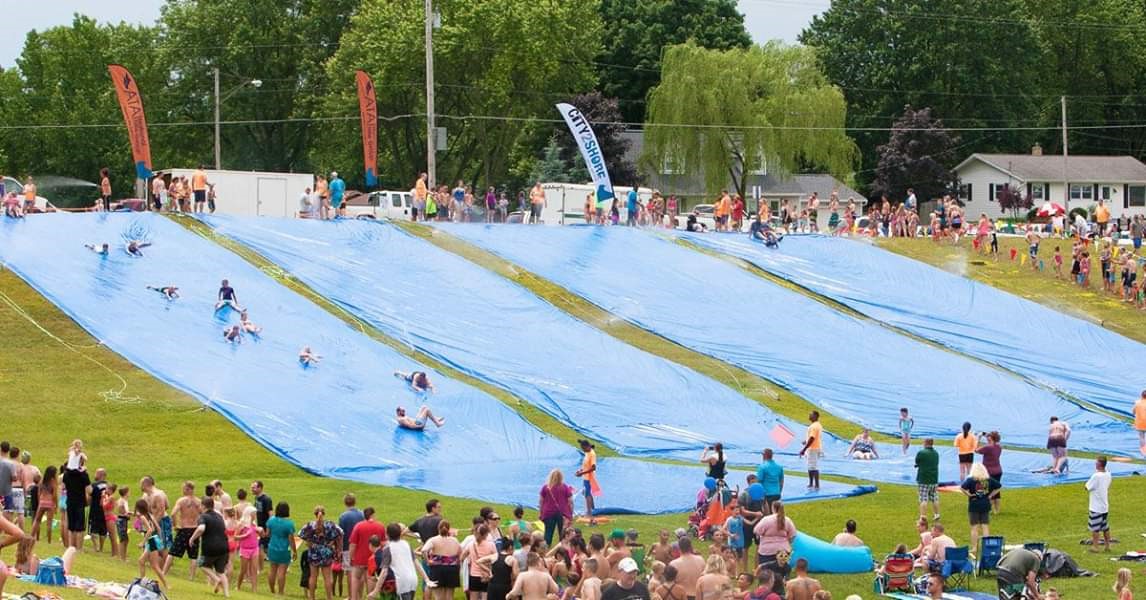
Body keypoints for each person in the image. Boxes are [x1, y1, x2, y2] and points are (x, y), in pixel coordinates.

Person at [188, 496, 230, 597]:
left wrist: (192, 538)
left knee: (202, 564)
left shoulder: (203, 516)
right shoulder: (219, 516)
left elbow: (201, 528)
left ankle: (216, 580)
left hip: (210, 547)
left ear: (203, 506)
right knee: (221, 571)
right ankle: (227, 595)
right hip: (224, 546)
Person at [300, 505, 344, 600]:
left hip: (313, 553)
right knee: (327, 578)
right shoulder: (330, 525)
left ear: (314, 514)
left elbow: (303, 536)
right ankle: (329, 598)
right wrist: (332, 543)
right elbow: (340, 533)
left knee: (313, 577)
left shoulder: (309, 525)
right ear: (324, 513)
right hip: (326, 552)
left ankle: (312, 598)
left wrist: (311, 544)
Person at [164, 480, 203, 580]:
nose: (182, 490)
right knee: (193, 555)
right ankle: (191, 577)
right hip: (194, 529)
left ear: (188, 489)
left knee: (172, 552)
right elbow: (202, 514)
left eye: (184, 488)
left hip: (184, 528)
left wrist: (175, 525)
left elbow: (173, 513)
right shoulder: (198, 501)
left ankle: (164, 572)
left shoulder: (181, 501)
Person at [753, 501, 795, 594]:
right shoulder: (787, 520)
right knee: (782, 572)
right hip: (783, 550)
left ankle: (763, 593)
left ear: (773, 508)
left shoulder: (766, 520)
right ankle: (780, 592)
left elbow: (756, 530)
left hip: (766, 550)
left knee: (766, 574)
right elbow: (792, 535)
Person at [960, 463, 1000, 553]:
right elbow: (999, 486)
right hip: (985, 504)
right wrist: (990, 495)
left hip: (974, 504)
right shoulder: (988, 480)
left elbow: (962, 488)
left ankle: (974, 547)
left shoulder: (971, 480)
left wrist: (969, 494)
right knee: (985, 526)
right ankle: (986, 547)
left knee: (974, 527)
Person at [420, 520, 462, 600]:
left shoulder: (433, 540)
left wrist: (428, 561)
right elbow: (460, 553)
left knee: (439, 597)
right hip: (452, 569)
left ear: (438, 529)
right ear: (449, 529)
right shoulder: (454, 540)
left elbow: (424, 550)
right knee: (449, 597)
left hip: (438, 569)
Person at [134, 498, 169, 590]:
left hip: (151, 541)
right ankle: (142, 581)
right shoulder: (149, 515)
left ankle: (166, 584)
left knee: (154, 565)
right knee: (141, 561)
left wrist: (143, 542)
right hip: (154, 539)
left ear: (138, 508)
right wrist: (159, 539)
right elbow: (158, 529)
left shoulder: (142, 517)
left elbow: (150, 530)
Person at [265, 501, 297, 596]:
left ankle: (272, 590)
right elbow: (291, 540)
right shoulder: (289, 524)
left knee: (272, 570)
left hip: (272, 548)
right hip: (283, 550)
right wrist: (294, 551)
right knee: (281, 572)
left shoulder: (271, 520)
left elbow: (268, 534)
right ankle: (281, 592)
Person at [539, 469, 573, 547]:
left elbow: (541, 501)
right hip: (562, 513)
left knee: (548, 533)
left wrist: (541, 513)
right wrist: (570, 514)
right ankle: (562, 549)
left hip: (548, 513)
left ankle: (545, 549)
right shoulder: (565, 487)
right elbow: (570, 501)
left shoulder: (545, 487)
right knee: (563, 534)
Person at [60, 462, 90, 549]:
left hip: (70, 501)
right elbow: (89, 490)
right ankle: (79, 547)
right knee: (79, 527)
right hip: (80, 502)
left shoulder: (66, 475)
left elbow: (63, 486)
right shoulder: (84, 475)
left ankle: (71, 546)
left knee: (71, 526)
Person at [1086, 455, 1113, 552]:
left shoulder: (1096, 476)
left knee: (1095, 528)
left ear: (1099, 464)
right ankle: (1108, 546)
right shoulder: (1108, 474)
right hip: (1104, 505)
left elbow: (1087, 487)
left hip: (1096, 506)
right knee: (1105, 527)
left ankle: (1095, 547)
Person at [975, 431, 1004, 513]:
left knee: (988, 491)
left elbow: (976, 450)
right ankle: (997, 510)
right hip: (998, 471)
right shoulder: (998, 447)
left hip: (989, 472)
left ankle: (988, 509)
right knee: (996, 490)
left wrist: (978, 438)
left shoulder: (987, 448)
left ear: (990, 438)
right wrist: (986, 435)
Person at [575, 439, 600, 525]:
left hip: (589, 478)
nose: (583, 450)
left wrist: (582, 473)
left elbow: (593, 467)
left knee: (587, 494)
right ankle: (593, 510)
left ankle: (589, 512)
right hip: (586, 477)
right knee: (587, 493)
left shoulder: (592, 454)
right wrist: (580, 470)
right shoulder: (587, 453)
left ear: (587, 446)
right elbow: (586, 465)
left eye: (583, 448)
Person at [915, 438, 940, 521]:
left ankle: (923, 516)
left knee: (923, 499)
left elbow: (917, 462)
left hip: (924, 479)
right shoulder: (936, 453)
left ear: (925, 443)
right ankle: (937, 514)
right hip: (934, 479)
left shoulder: (921, 453)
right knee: (934, 498)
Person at [797, 411, 823, 490]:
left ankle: (816, 485)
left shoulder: (814, 426)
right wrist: (806, 441)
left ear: (815, 416)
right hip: (815, 447)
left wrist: (804, 449)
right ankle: (811, 483)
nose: (809, 415)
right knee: (811, 466)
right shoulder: (817, 425)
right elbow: (812, 437)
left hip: (813, 448)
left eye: (811, 414)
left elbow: (812, 438)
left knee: (813, 467)